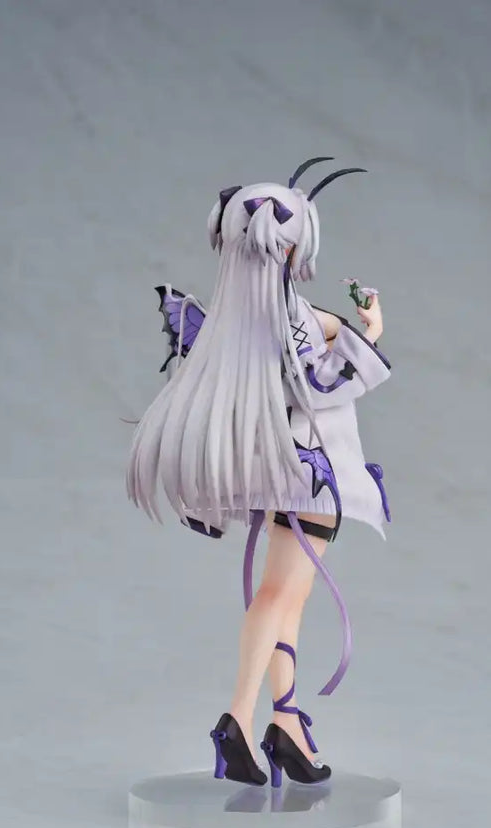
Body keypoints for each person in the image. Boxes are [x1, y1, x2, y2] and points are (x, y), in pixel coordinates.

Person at [126, 157, 392, 788]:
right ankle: (239, 720)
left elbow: (318, 331)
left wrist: (345, 325)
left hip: (284, 469)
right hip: (312, 472)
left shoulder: (242, 317)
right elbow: (323, 382)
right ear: (289, 244)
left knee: (289, 597)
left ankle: (284, 722)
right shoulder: (285, 317)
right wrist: (372, 332)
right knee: (279, 595)